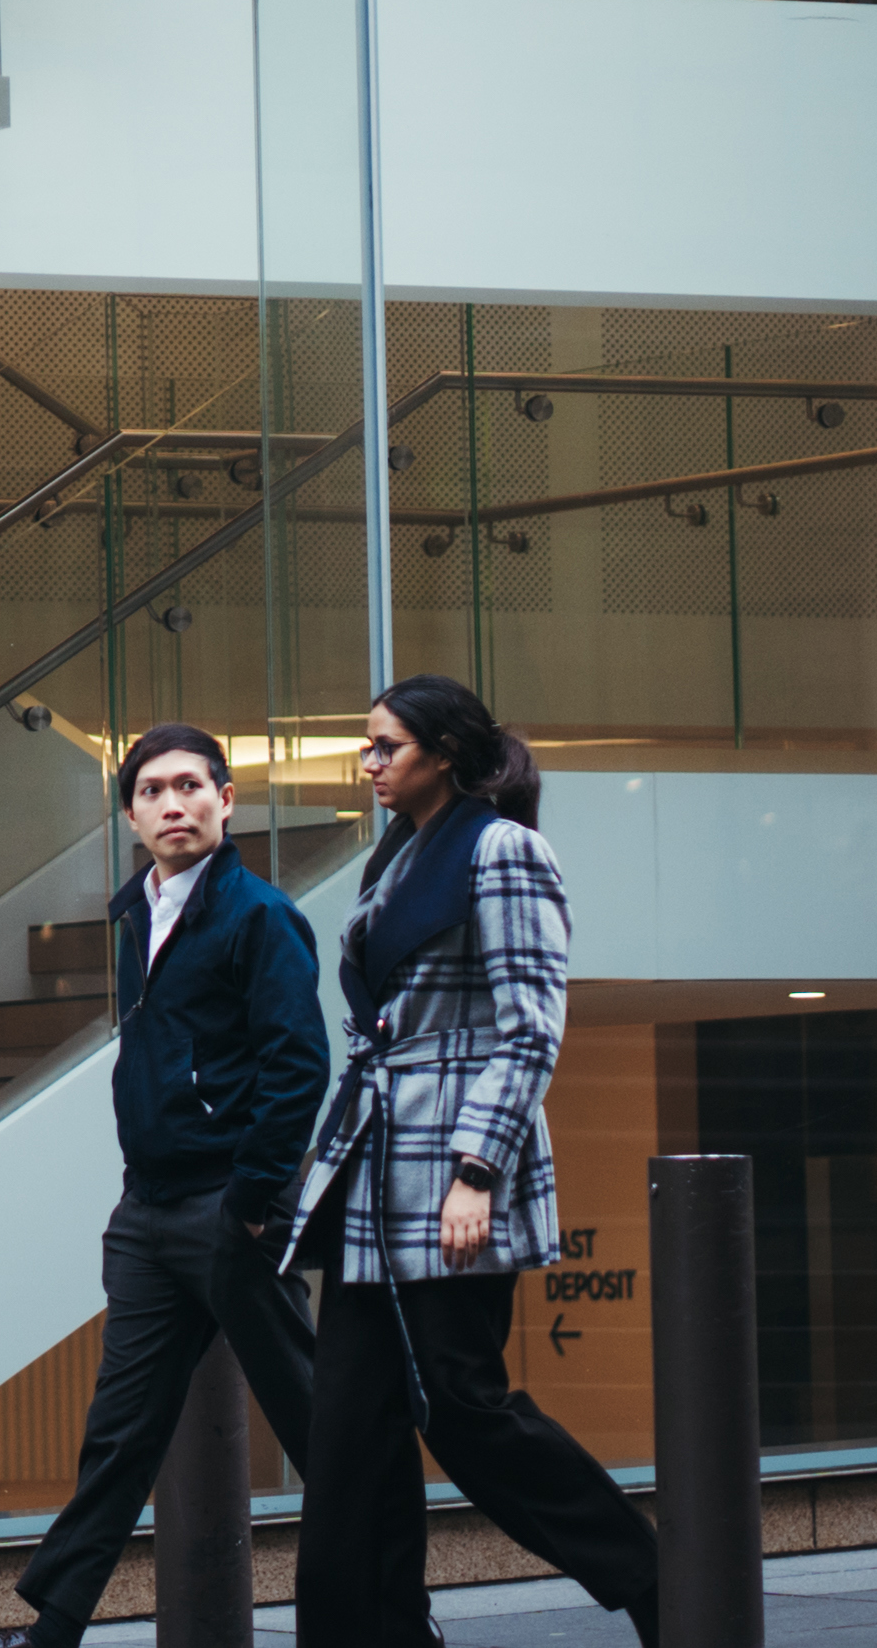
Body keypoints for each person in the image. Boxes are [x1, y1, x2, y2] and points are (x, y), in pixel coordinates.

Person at [0, 720, 335, 1648]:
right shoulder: (137, 910)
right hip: (148, 1212)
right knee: (118, 1435)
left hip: (232, 1209)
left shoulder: (260, 914)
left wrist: (255, 1199)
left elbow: (300, 1064)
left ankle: (397, 1620)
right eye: (152, 791)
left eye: (191, 785)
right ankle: (48, 1635)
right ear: (132, 813)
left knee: (317, 1426)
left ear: (227, 799)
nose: (173, 803)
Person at [283, 678, 662, 1648]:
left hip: (447, 1167)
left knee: (462, 1411)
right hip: (373, 1170)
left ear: (443, 752)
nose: (366, 764)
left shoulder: (504, 852)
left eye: (383, 747)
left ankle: (658, 1580)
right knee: (347, 1439)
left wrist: (476, 1171)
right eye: (364, 748)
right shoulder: (397, 857)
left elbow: (528, 1028)